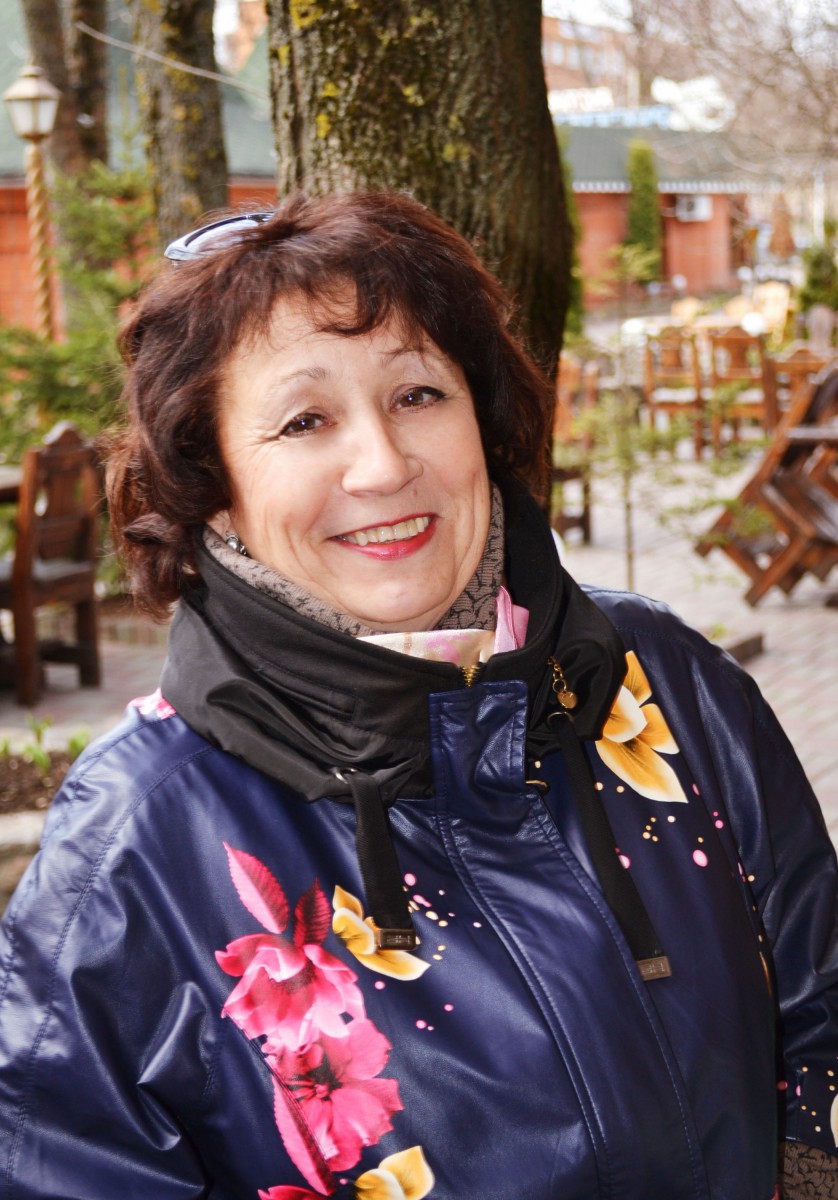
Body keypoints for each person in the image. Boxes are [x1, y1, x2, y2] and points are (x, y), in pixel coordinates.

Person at [0, 192, 836, 1200]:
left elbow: (820, 1007)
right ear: (213, 484)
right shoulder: (134, 845)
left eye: (417, 395)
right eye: (305, 420)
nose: (384, 464)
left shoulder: (665, 681)